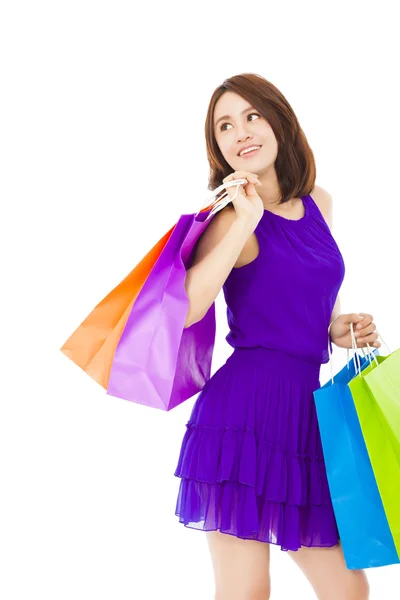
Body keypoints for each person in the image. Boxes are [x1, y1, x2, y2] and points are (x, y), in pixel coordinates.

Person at [173, 73, 380, 600]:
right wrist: (244, 219)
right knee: (247, 593)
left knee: (349, 589)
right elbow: (189, 305)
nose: (240, 131)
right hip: (243, 416)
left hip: (307, 418)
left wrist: (342, 328)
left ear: (278, 121)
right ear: (217, 147)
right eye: (224, 126)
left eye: (251, 116)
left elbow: (317, 308)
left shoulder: (319, 203)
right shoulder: (227, 219)